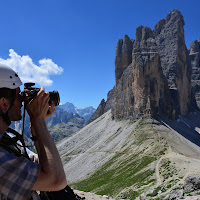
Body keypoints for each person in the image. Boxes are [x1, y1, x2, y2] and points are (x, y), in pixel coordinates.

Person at [0, 64, 67, 200]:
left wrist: (35, 128)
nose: (23, 101)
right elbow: (56, 180)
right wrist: (38, 121)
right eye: (18, 95)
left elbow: (40, 166)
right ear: (4, 103)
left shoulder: (6, 140)